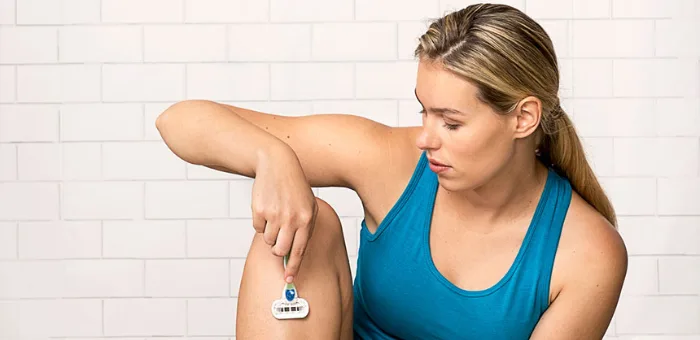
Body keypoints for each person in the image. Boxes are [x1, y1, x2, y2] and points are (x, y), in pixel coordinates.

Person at [156, 3, 628, 339]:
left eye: (452, 122)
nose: (426, 137)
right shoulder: (393, 162)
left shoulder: (586, 253)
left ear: (523, 118)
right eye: (424, 111)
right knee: (305, 226)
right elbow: (178, 120)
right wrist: (271, 156)